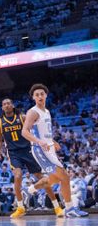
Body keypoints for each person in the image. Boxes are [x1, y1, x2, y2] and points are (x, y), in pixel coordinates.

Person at [21, 83, 88, 218]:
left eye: (42, 94)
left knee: (53, 179)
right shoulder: (33, 112)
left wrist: (53, 141)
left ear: (46, 95)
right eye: (37, 94)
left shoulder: (47, 111)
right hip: (40, 150)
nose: (40, 96)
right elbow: (24, 131)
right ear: (33, 98)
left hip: (49, 148)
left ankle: (29, 190)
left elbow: (45, 131)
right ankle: (69, 209)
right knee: (64, 176)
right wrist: (39, 141)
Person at [0, 97, 62, 218]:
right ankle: (20, 207)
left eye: (9, 103)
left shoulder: (22, 117)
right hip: (14, 153)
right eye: (4, 104)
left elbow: (36, 130)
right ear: (2, 107)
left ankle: (57, 207)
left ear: (13, 106)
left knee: (41, 178)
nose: (7, 105)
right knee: (18, 176)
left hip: (29, 150)